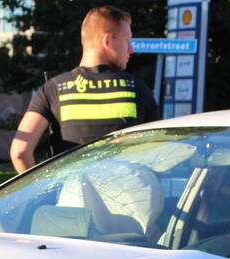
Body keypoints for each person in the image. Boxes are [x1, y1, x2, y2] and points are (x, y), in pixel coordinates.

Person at [9, 5, 158, 174]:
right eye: (127, 40)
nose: (131, 49)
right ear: (107, 41)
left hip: (72, 196)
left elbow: (20, 152)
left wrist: (41, 191)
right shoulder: (137, 89)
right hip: (128, 195)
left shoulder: (54, 89)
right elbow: (154, 153)